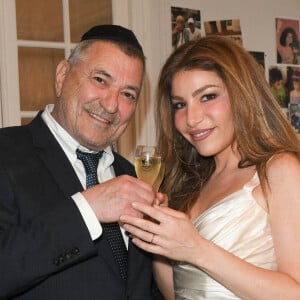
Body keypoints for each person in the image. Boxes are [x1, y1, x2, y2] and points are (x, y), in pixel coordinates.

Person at [120, 35, 300, 299]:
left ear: (243, 94)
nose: (191, 119)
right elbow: (178, 293)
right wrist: (159, 239)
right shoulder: (188, 184)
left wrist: (196, 248)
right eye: (180, 104)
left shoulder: (279, 170)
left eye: (207, 97)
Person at [0, 24, 163, 299]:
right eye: (100, 79)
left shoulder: (134, 176)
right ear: (63, 75)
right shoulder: (6, 152)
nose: (112, 105)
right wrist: (87, 209)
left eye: (128, 94)